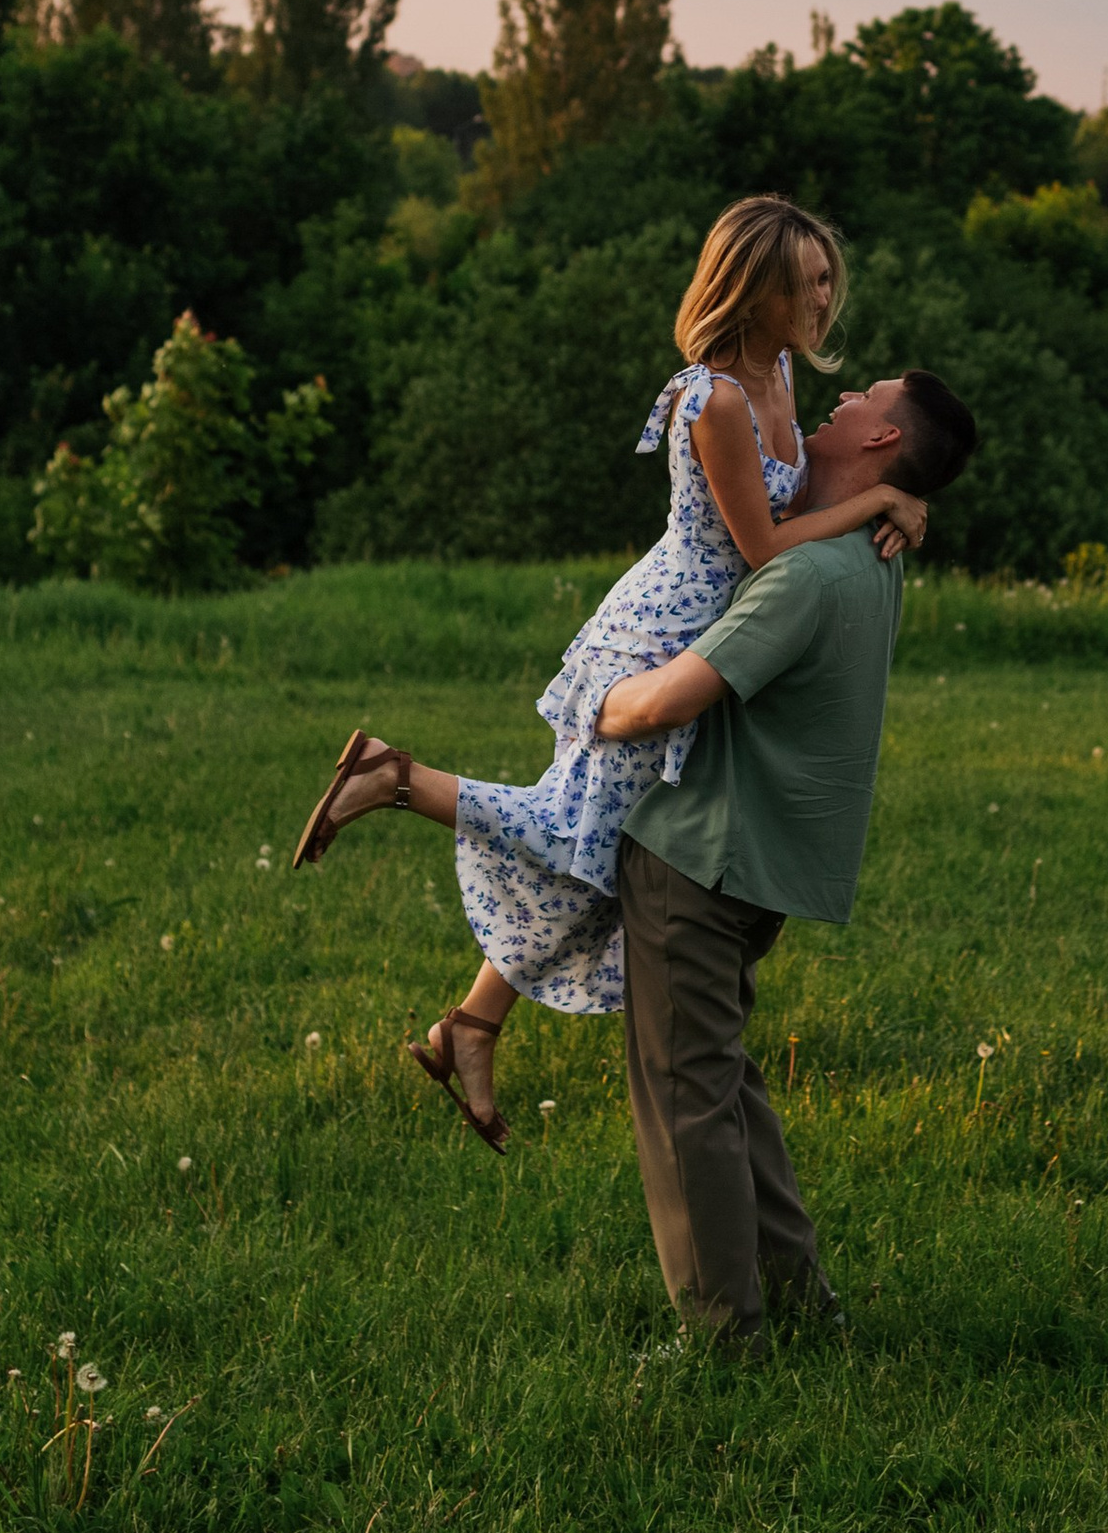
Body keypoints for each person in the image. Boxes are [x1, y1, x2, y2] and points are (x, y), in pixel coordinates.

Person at [291, 195, 927, 1147]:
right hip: (660, 635)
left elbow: (791, 521)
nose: (824, 296)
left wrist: (895, 491)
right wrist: (880, 497)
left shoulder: (782, 372)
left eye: (828, 276)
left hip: (711, 632)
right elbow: (762, 547)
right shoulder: (714, 399)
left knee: (602, 856)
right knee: (580, 835)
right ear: (752, 290)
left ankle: (471, 1026)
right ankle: (393, 778)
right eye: (806, 281)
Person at [595, 362, 979, 1356]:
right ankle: (798, 1300)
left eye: (863, 399)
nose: (838, 401)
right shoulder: (870, 557)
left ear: (882, 439)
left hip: (702, 856)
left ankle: (722, 1338)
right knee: (723, 1085)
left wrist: (598, 699)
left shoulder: (805, 577)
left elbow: (667, 701)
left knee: (685, 1099)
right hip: (757, 865)